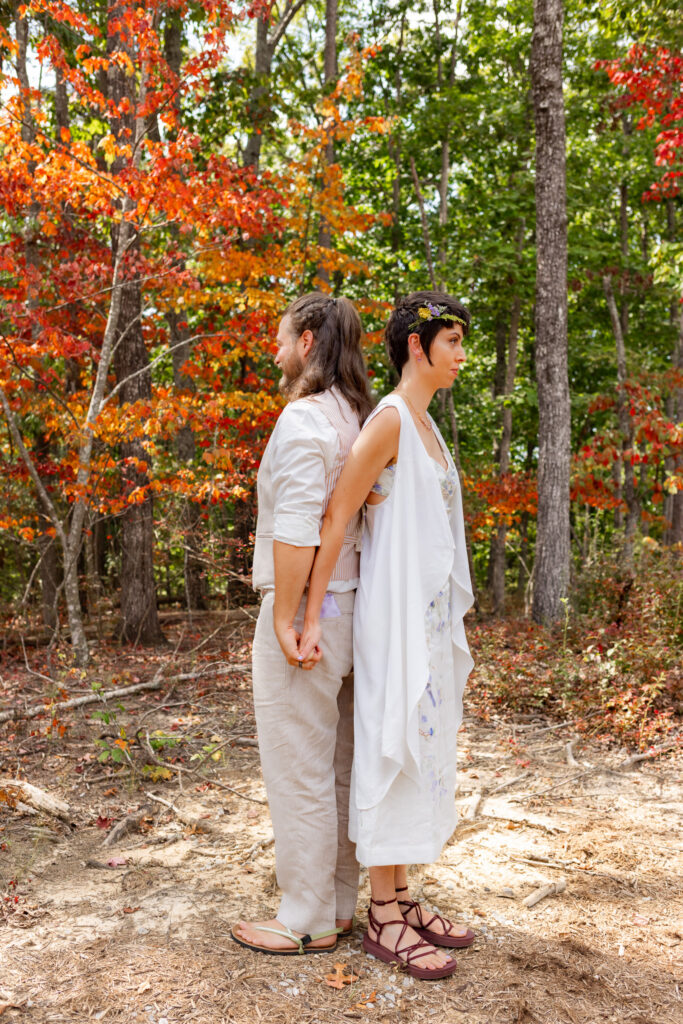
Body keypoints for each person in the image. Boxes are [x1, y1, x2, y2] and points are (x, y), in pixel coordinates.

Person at [298, 291, 476, 980]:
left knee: (422, 747)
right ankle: (380, 917)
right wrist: (312, 616)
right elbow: (338, 516)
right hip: (391, 614)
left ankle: (401, 896)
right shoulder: (391, 420)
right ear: (415, 345)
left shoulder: (425, 425)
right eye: (452, 342)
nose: (462, 356)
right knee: (390, 742)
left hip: (424, 617)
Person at [231, 292, 374, 956]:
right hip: (358, 609)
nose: (275, 349)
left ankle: (305, 917)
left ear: (309, 342)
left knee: (299, 766)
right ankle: (339, 905)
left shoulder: (304, 420)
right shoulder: (362, 416)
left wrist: (290, 617)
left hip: (310, 609)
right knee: (341, 765)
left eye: (282, 337)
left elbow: (296, 529)